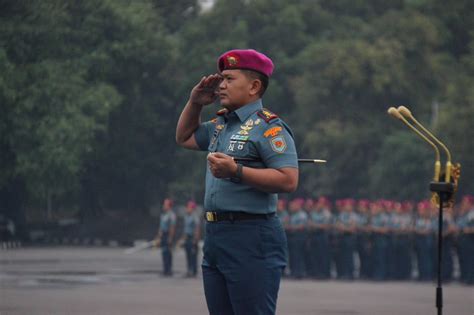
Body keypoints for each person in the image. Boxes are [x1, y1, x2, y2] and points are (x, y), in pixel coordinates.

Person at [175, 49, 299, 314]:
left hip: (252, 235)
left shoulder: (269, 127)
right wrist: (195, 102)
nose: (221, 85)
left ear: (254, 86)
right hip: (217, 236)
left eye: (229, 79)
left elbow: (288, 180)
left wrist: (236, 171)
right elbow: (185, 137)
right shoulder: (221, 123)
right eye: (221, 79)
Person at [155, 198, 177, 276]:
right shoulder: (163, 215)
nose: (163, 206)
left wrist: (170, 238)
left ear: (169, 206)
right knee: (164, 253)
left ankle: (169, 270)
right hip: (163, 235)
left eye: (165, 204)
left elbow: (172, 227)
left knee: (168, 253)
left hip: (168, 235)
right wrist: (158, 237)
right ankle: (165, 270)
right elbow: (161, 227)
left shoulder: (171, 215)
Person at [182, 200, 201, 277]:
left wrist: (195, 240)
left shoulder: (195, 217)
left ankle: (194, 271)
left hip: (192, 238)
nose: (187, 208)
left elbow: (197, 229)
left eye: (188, 207)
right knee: (188, 255)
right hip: (187, 238)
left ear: (192, 208)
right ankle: (189, 270)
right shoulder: (187, 216)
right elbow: (186, 229)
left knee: (193, 255)